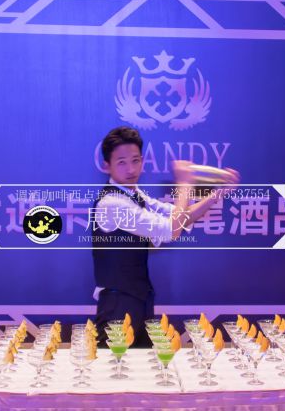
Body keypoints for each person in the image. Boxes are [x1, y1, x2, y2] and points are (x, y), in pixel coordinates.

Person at [92, 126, 237, 346]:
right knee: (115, 366)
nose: (131, 169)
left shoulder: (135, 195)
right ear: (106, 166)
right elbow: (171, 230)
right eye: (121, 162)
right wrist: (185, 183)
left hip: (140, 300)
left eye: (135, 160)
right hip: (117, 306)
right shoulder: (112, 204)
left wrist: (216, 195)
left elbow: (179, 217)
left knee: (142, 366)